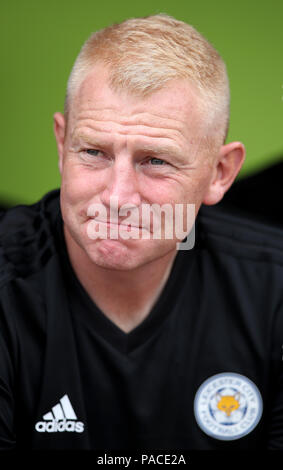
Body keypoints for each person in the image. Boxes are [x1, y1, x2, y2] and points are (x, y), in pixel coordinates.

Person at [0, 13, 282, 451]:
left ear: (220, 173)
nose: (117, 196)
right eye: (93, 152)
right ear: (62, 144)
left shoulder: (274, 290)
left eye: (156, 161)